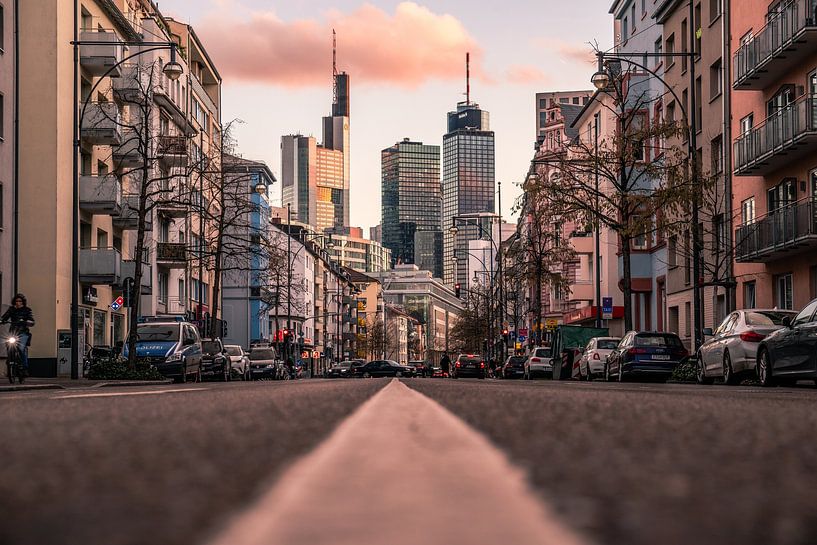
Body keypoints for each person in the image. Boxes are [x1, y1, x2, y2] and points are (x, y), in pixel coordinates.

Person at [1, 293, 35, 372]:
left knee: (21, 348)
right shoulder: (11, 309)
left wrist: (28, 322)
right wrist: (2, 320)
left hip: (23, 332)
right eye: (16, 301)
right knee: (9, 345)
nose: (18, 302)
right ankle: (10, 360)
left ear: (23, 302)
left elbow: (31, 320)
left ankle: (24, 367)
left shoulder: (27, 310)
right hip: (13, 332)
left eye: (20, 301)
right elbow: (5, 317)